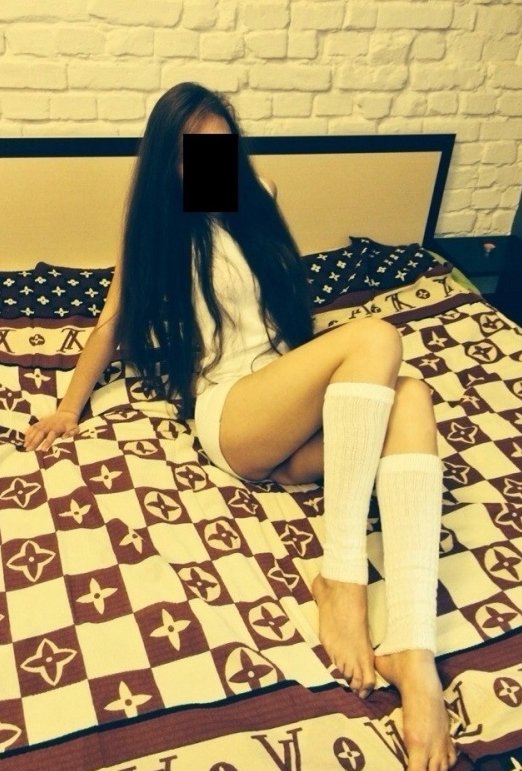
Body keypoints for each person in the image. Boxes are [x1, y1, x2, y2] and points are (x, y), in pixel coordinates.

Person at [24, 82, 457, 771]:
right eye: (193, 152)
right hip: (234, 413)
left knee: (412, 397)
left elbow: (282, 301)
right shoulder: (156, 231)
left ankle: (414, 645)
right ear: (167, 161)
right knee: (377, 336)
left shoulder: (258, 199)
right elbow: (110, 325)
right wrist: (69, 407)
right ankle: (341, 576)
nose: (210, 164)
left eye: (220, 148)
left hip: (293, 406)